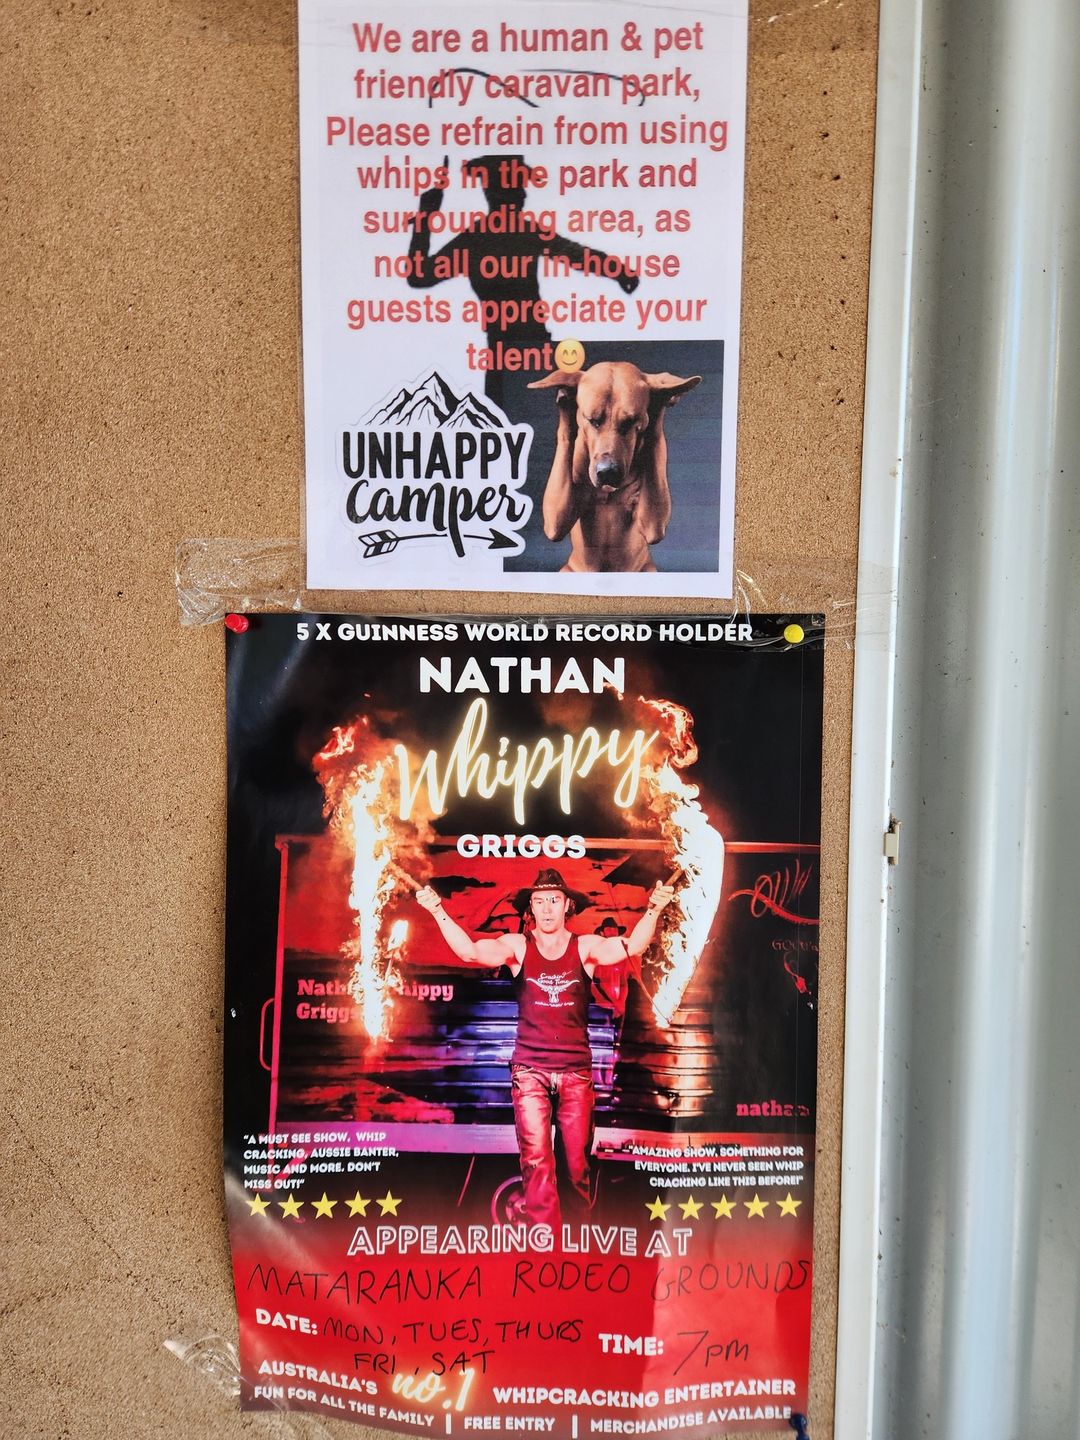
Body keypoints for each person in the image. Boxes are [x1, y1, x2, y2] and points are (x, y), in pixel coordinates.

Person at [415, 867, 675, 1232]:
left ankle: (576, 1245)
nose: (548, 908)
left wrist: (654, 909)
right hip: (530, 1072)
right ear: (531, 908)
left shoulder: (584, 947)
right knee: (537, 1162)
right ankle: (544, 1247)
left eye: (554, 900)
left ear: (567, 905)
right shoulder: (518, 947)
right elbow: (471, 953)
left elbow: (632, 946)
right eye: (540, 901)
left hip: (575, 1073)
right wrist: (436, 910)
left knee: (576, 1168)